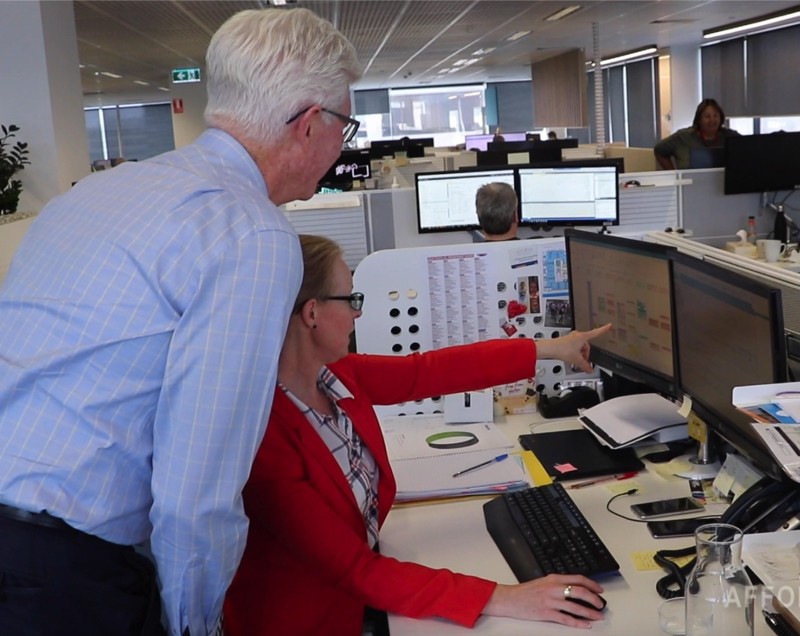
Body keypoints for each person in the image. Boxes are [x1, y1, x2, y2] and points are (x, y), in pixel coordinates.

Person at [0, 8, 361, 636]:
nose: (341, 147)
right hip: (64, 576)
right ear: (310, 124)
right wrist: (194, 623)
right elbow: (198, 483)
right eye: (344, 127)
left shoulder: (93, 193)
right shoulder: (250, 233)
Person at [223, 234, 611, 635]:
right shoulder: (263, 436)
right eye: (351, 299)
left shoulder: (334, 376)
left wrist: (550, 348)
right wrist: (507, 597)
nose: (358, 312)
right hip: (307, 622)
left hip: (350, 596)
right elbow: (356, 570)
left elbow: (428, 371)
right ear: (312, 313)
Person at [653, 98, 740, 170]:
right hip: (690, 184)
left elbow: (746, 149)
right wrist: (673, 174)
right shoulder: (683, 137)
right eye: (707, 116)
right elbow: (659, 150)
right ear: (699, 119)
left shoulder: (731, 136)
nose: (712, 120)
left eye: (715, 116)